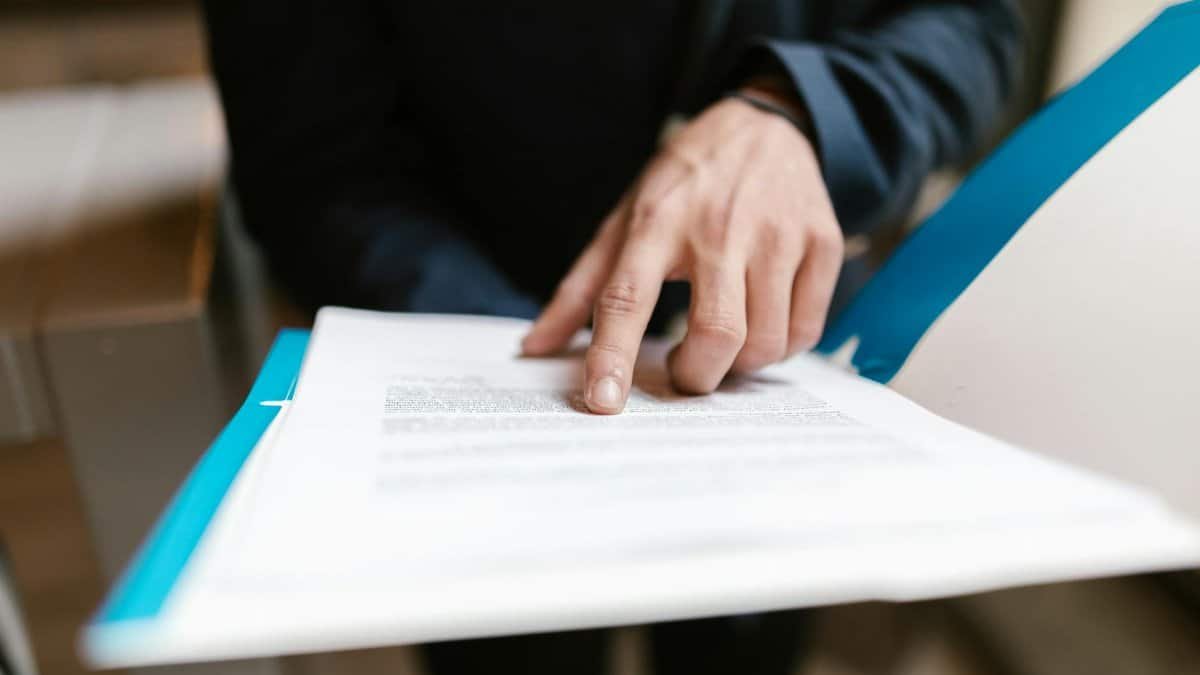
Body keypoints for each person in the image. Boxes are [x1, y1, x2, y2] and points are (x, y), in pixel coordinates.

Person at [203, 1, 1022, 673]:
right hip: (484, 360)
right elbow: (313, 165)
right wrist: (504, 354)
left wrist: (804, 110)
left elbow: (970, 22)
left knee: (749, 644)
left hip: (774, 364)